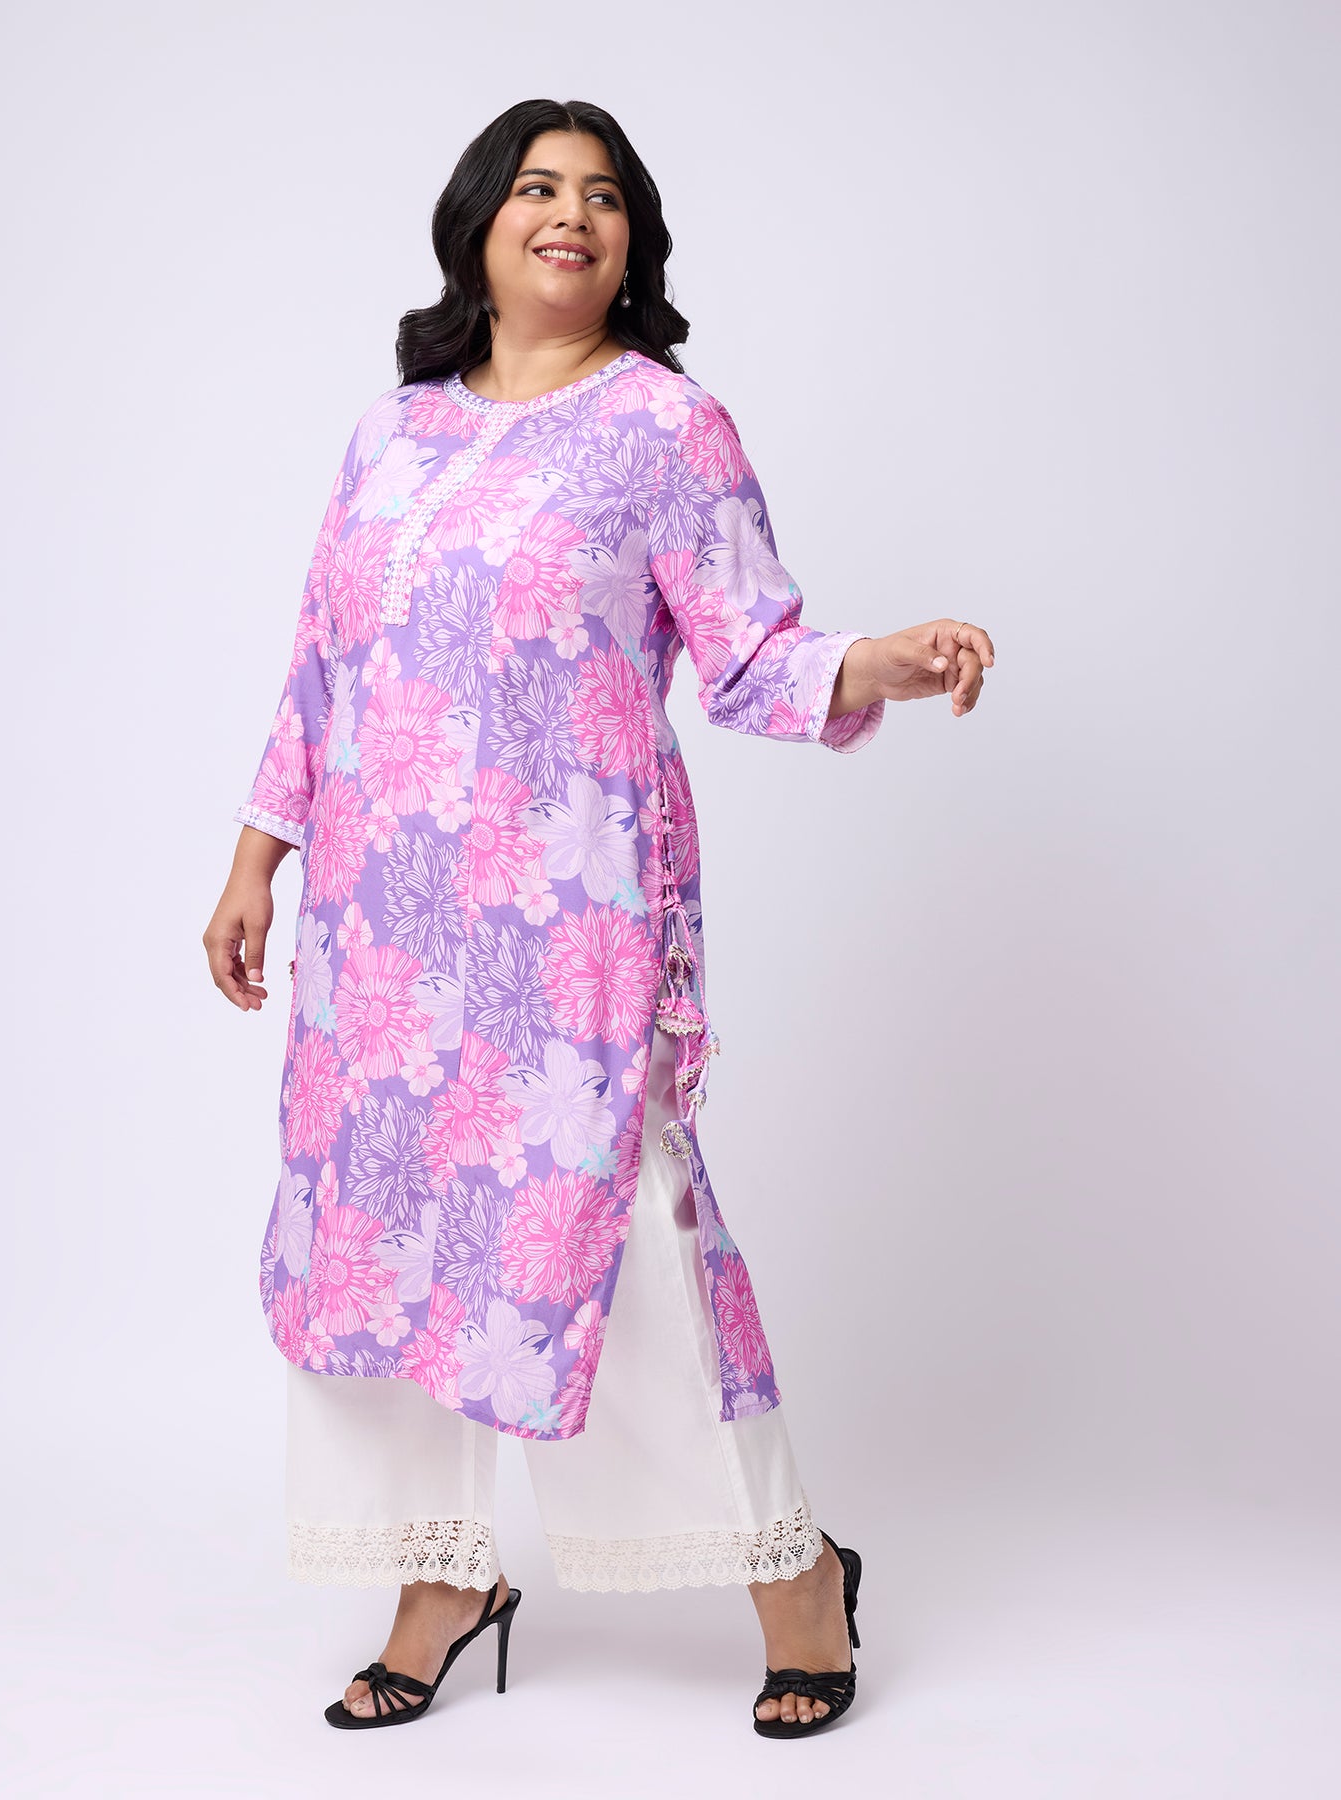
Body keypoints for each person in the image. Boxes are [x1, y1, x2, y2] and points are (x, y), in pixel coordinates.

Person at [203, 96, 994, 1740]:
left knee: (620, 1240)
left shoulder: (663, 427)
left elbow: (752, 650)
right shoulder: (390, 434)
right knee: (387, 1245)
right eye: (539, 187)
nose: (572, 214)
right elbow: (323, 662)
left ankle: (796, 1577)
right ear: (478, 223)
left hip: (568, 925)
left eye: (604, 196)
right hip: (380, 937)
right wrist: (257, 856)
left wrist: (887, 663)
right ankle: (442, 1580)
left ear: (631, 244)